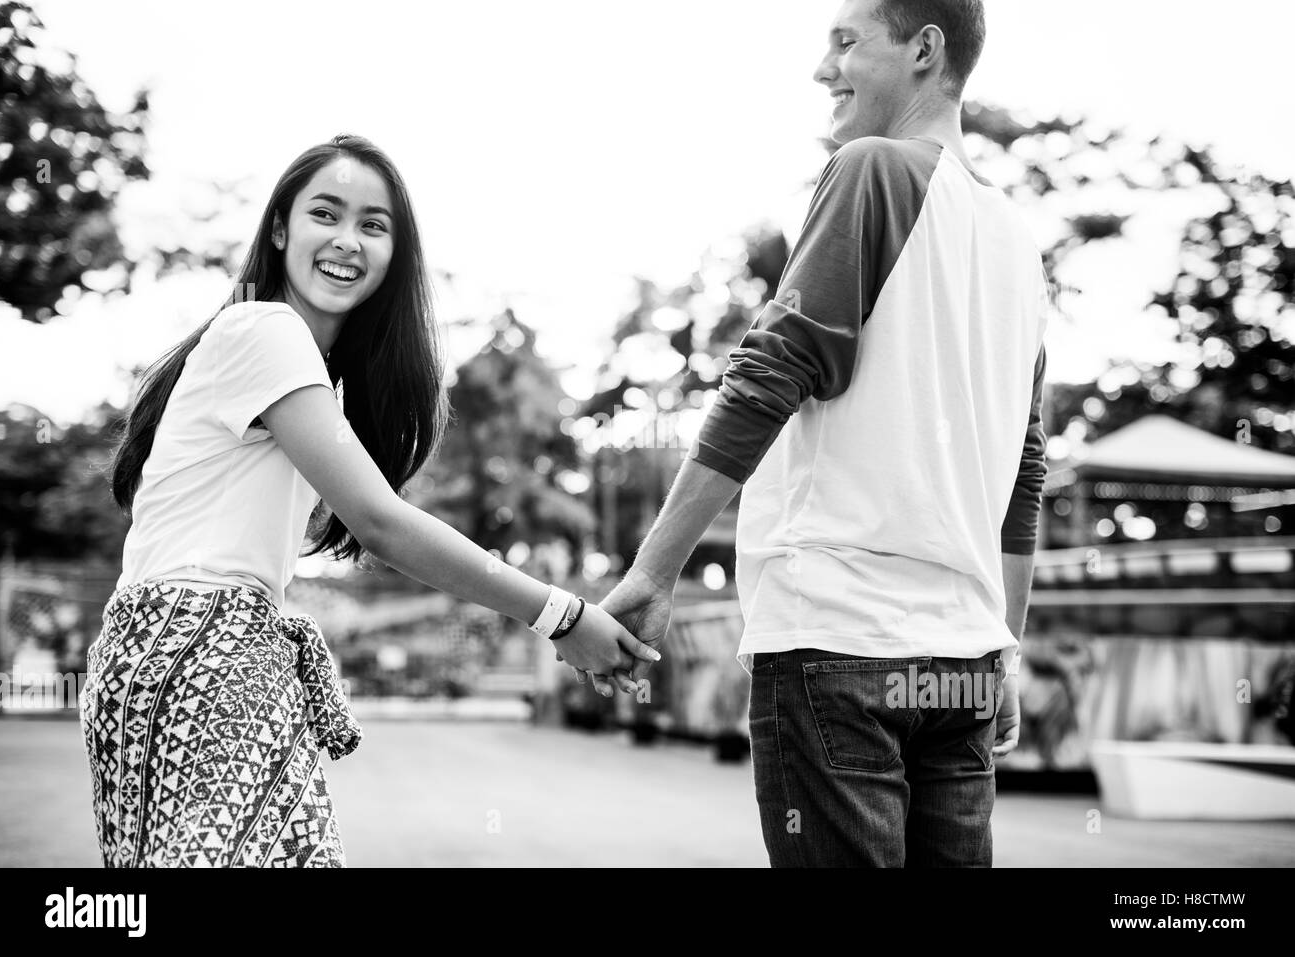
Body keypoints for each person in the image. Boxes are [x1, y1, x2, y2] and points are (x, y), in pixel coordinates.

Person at [82, 133, 658, 868]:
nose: (347, 241)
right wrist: (559, 612)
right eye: (326, 213)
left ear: (393, 255)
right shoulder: (267, 329)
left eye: (373, 225)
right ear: (282, 228)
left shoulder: (292, 359)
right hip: (203, 653)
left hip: (162, 649)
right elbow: (381, 522)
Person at [590, 0, 1049, 866]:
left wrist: (654, 571)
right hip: (962, 663)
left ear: (924, 49)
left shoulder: (871, 169)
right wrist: (1005, 648)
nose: (821, 69)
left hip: (838, 641)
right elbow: (1024, 473)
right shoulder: (1018, 242)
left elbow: (771, 372)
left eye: (846, 43)